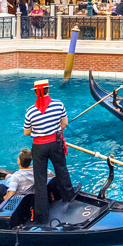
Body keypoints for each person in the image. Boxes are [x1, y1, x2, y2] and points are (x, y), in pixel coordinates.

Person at [24, 79, 75, 226]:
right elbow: (64, 124)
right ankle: (69, 196)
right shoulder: (58, 104)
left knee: (39, 179)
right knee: (61, 170)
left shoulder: (30, 110)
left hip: (39, 147)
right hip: (55, 143)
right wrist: (54, 130)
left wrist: (40, 130)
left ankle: (41, 214)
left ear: (35, 92)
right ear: (48, 90)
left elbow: (27, 132)